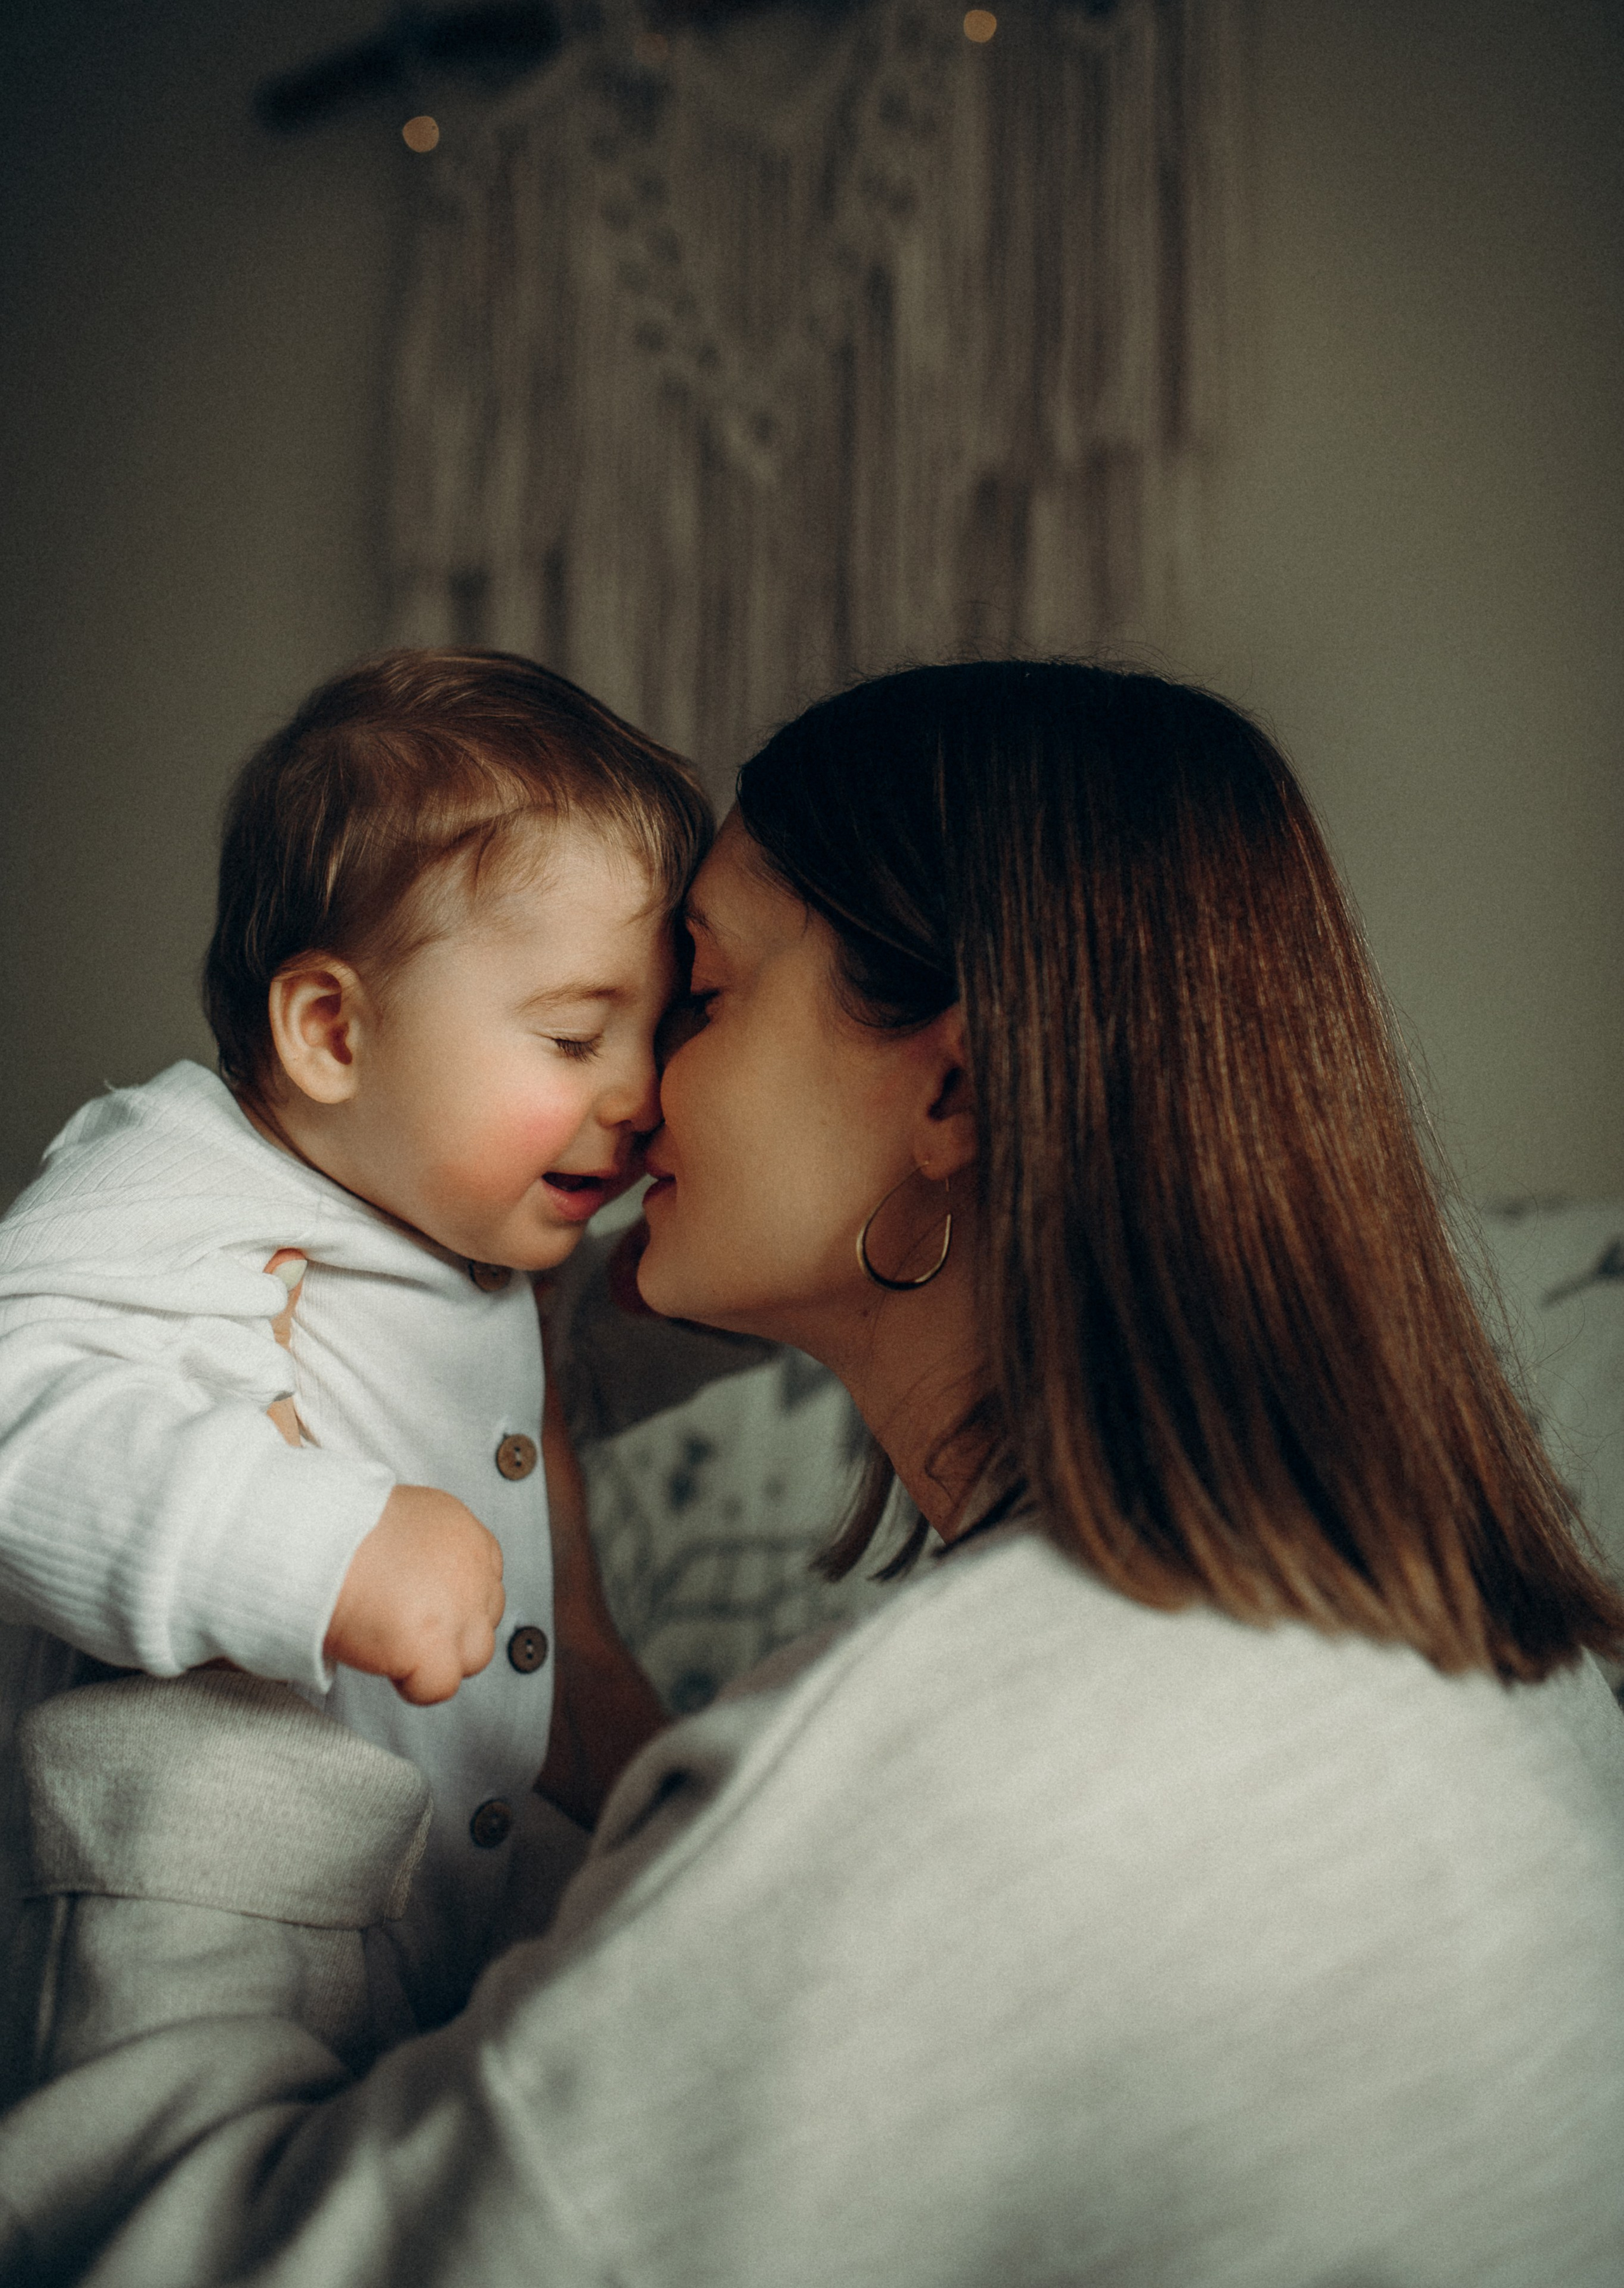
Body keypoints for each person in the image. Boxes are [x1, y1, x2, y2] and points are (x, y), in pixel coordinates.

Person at [3, 657, 1624, 2288]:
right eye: (591, 1026)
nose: (638, 1101)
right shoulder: (1479, 1650)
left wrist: (222, 1699)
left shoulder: (944, 1769)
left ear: (957, 1087)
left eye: (693, 998)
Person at [0, 647, 702, 2049]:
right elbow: (18, 1411)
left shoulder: (465, 1227)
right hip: (197, 1928)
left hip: (449, 1894)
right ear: (331, 1029)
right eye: (573, 1036)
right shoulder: (183, 1172)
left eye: (663, 1028)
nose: (635, 1095)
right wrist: (317, 1544)